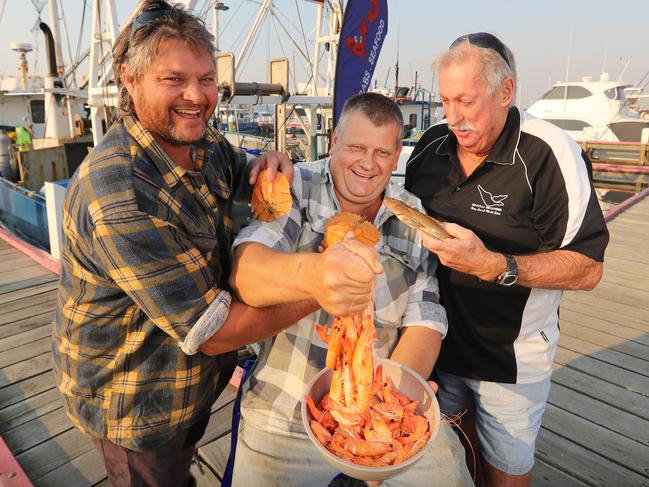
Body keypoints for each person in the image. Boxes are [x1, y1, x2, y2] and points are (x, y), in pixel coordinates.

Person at [52, 2, 312, 486]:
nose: (196, 96)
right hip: (135, 403)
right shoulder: (120, 195)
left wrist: (269, 162)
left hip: (191, 386)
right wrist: (322, 287)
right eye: (173, 79)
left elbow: (238, 170)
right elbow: (212, 331)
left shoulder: (200, 140)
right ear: (130, 80)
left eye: (206, 78)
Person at [228, 92, 473, 486]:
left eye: (381, 152)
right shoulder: (295, 187)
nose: (366, 163)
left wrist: (390, 405)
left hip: (381, 407)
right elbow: (245, 271)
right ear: (334, 142)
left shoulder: (412, 213)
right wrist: (316, 277)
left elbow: (425, 318)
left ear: (397, 158)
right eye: (356, 147)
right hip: (285, 412)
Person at [405, 33, 609, 486]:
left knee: (505, 474)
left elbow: (589, 267)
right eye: (444, 100)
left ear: (505, 92)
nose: (452, 117)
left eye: (466, 101)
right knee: (447, 459)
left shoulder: (549, 153)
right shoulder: (430, 145)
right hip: (436, 345)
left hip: (512, 358)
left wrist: (496, 265)